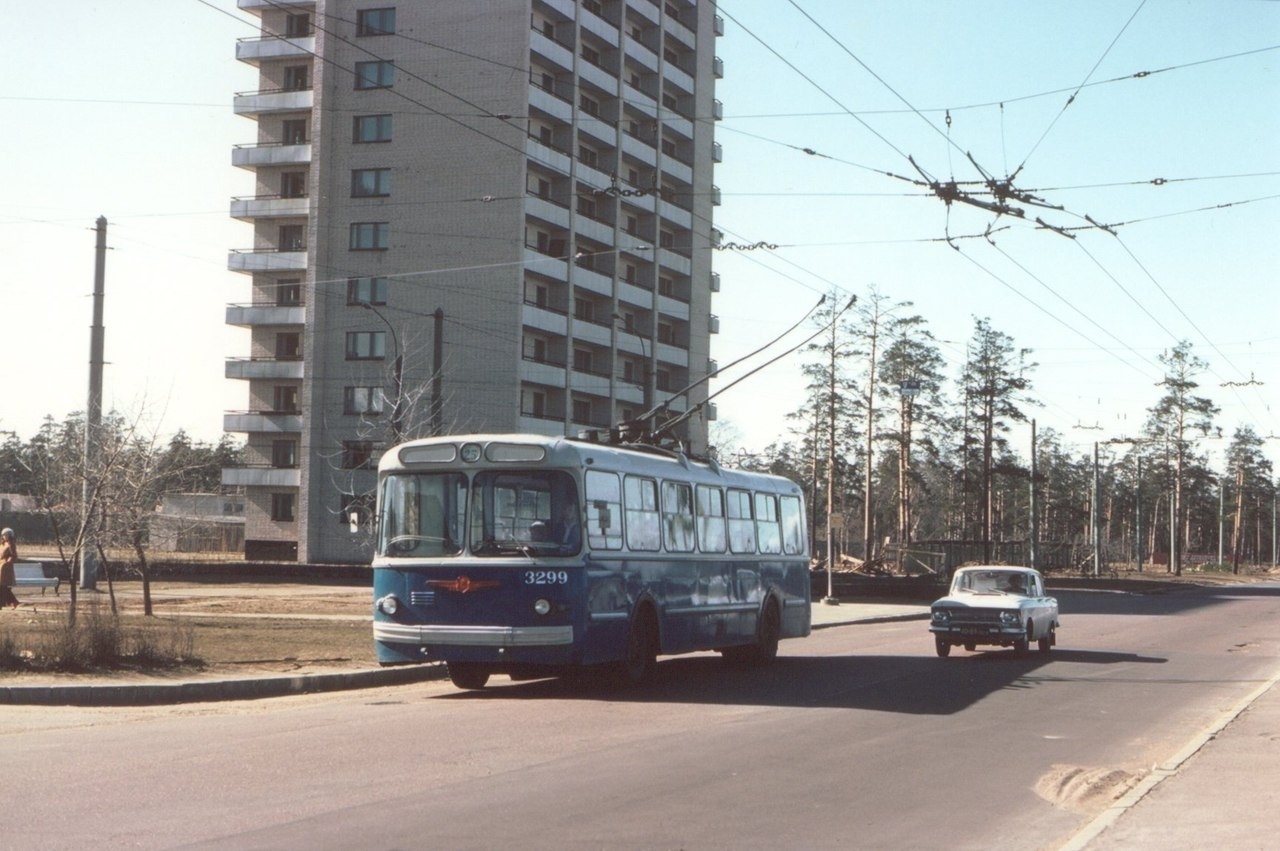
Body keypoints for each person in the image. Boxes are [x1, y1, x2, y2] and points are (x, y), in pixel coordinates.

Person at [0, 528, 20, 609]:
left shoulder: (11, 544)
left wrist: (7, 562)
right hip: (0, 566)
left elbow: (14, 555)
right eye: (4, 535)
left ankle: (5, 603)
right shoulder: (2, 544)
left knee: (3, 586)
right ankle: (13, 602)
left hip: (5, 568)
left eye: (6, 534)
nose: (4, 536)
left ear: (10, 535)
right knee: (2, 587)